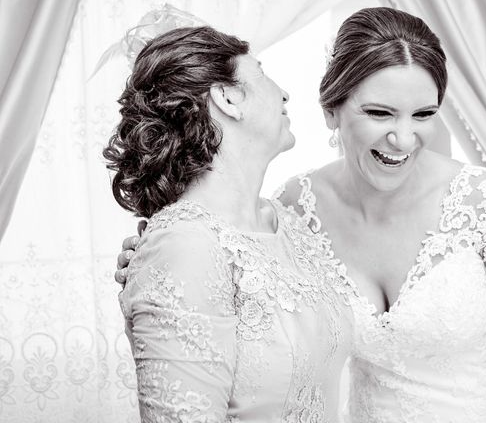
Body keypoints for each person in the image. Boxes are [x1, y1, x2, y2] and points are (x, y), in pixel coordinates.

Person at [118, 7, 486, 422]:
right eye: (379, 112)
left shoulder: (485, 202)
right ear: (332, 111)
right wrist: (157, 261)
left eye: (424, 114)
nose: (404, 138)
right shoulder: (296, 207)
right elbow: (220, 262)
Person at [105, 22, 353, 422]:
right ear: (227, 98)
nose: (285, 93)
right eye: (260, 69)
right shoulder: (181, 246)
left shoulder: (287, 222)